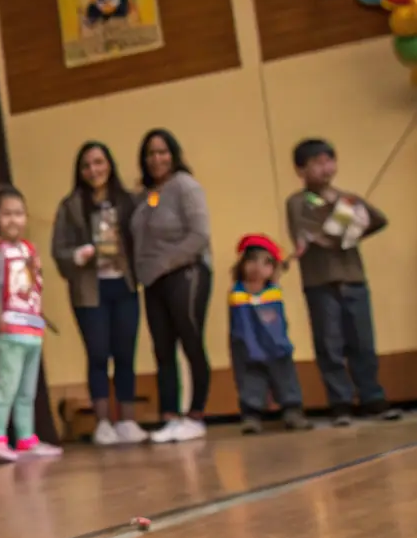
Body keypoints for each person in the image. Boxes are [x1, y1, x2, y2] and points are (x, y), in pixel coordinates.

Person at [286, 138, 394, 424]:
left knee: (363, 342)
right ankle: (340, 402)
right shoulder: (299, 201)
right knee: (329, 344)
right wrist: (342, 225)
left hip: (353, 279)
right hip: (320, 283)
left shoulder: (347, 199)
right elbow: (315, 234)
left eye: (329, 161)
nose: (325, 168)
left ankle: (372, 397)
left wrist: (354, 225)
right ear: (301, 170)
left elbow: (379, 219)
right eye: (317, 163)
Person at [51, 142, 144, 446]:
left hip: (124, 286)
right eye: (87, 165)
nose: (94, 170)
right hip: (90, 291)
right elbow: (59, 250)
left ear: (109, 164)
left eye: (99, 162)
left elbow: (145, 236)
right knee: (98, 354)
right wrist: (78, 256)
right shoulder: (70, 206)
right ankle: (103, 423)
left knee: (125, 354)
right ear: (80, 171)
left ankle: (127, 420)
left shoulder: (128, 201)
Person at [130, 129, 213, 444]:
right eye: (150, 154)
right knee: (162, 349)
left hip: (186, 273)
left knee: (190, 340)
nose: (156, 159)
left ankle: (196, 415)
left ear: (174, 154)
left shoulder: (185, 186)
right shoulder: (146, 195)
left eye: (162, 152)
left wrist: (166, 262)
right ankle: (170, 416)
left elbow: (199, 235)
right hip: (153, 281)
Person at [0, 186, 62, 462]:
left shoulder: (29, 249)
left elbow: (33, 284)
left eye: (19, 214)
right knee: (6, 385)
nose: (14, 220)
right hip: (8, 330)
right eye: (7, 214)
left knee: (27, 391)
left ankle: (26, 438)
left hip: (31, 329)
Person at [229, 235, 312, 434]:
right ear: (242, 264)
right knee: (251, 382)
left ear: (272, 268)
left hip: (276, 346)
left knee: (285, 378)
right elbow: (241, 325)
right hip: (248, 348)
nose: (257, 267)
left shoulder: (273, 290)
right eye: (251, 261)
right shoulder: (238, 293)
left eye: (265, 263)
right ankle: (251, 416)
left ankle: (292, 411)